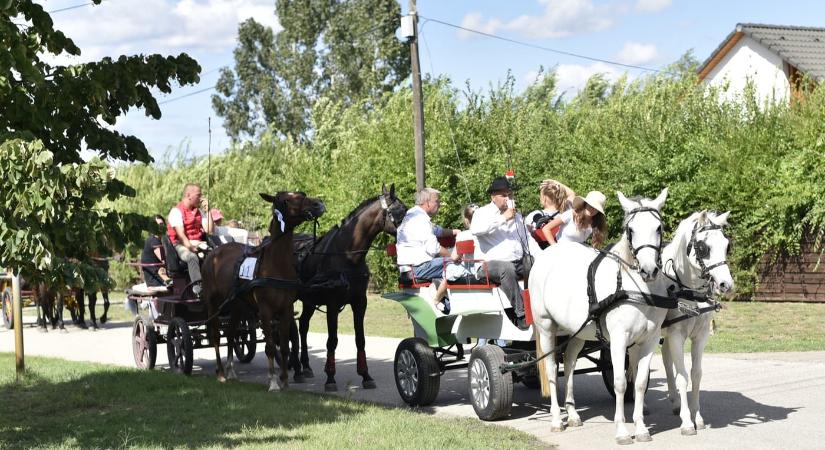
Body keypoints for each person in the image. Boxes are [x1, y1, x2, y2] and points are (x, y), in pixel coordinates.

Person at [470, 176, 537, 330]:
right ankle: (521, 314)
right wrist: (503, 218)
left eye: (510, 194)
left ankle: (541, 306)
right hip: (488, 266)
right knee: (506, 268)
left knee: (534, 263)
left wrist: (542, 258)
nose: (508, 198)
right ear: (493, 196)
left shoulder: (517, 216)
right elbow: (476, 229)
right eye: (504, 195)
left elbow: (528, 241)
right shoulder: (482, 213)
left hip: (517, 263)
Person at [396, 188, 460, 282]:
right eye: (437, 201)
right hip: (419, 269)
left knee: (454, 254)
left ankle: (441, 288)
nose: (439, 204)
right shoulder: (420, 220)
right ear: (427, 203)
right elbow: (434, 248)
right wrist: (454, 256)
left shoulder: (413, 214)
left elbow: (437, 231)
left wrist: (455, 232)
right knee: (463, 262)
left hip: (409, 269)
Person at [431, 203, 480, 313]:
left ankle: (436, 300)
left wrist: (449, 253)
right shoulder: (490, 233)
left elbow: (454, 257)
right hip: (484, 267)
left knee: (448, 271)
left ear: (466, 220)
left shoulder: (463, 235)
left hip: (470, 268)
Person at [167, 183, 212, 294]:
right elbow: (181, 235)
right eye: (198, 195)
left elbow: (210, 231)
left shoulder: (199, 212)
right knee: (192, 257)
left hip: (197, 242)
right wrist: (192, 248)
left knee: (215, 254)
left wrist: (208, 211)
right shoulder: (176, 211)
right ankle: (198, 287)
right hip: (180, 244)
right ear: (188, 195)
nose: (201, 198)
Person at [540, 190, 607, 248]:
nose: (592, 209)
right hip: (560, 248)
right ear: (585, 204)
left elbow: (595, 245)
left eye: (596, 208)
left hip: (577, 252)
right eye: (591, 205)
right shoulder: (571, 214)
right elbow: (546, 228)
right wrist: (555, 247)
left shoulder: (595, 223)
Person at [525, 179, 575, 247]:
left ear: (544, 198)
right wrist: (555, 182)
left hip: (542, 251)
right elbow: (571, 193)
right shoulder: (567, 211)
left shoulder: (533, 215)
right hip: (565, 248)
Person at [141, 215, 168, 287]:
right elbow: (164, 260)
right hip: (156, 280)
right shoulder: (154, 241)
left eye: (161, 224)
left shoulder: (160, 239)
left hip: (159, 275)